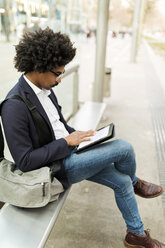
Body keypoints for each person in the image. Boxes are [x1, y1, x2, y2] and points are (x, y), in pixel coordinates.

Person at [1, 27, 165, 248]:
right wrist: (66, 142)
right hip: (55, 168)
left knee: (121, 181)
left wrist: (83, 137)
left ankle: (135, 234)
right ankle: (137, 183)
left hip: (71, 152)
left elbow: (58, 126)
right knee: (124, 148)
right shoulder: (14, 106)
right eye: (57, 73)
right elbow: (25, 161)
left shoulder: (46, 89)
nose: (60, 79)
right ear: (38, 67)